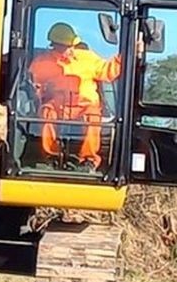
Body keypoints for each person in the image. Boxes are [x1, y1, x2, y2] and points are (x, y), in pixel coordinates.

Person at [28, 22, 123, 171]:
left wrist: (127, 56)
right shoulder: (41, 63)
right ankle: (51, 156)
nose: (70, 50)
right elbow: (31, 85)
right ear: (54, 45)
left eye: (72, 46)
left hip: (85, 106)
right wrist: (37, 93)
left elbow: (108, 71)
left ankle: (88, 160)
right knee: (46, 112)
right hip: (57, 105)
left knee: (93, 116)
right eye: (65, 46)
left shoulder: (87, 58)